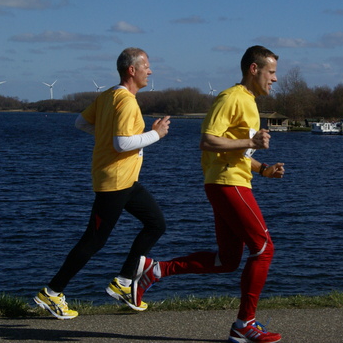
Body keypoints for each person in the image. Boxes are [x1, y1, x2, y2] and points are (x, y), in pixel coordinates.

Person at [131, 45, 285, 343]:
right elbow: (207, 141)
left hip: (232, 180)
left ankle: (155, 270)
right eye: (272, 72)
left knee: (227, 260)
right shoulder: (231, 97)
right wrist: (250, 139)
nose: (275, 79)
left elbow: (237, 151)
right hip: (228, 183)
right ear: (254, 69)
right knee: (264, 249)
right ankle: (245, 324)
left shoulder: (250, 102)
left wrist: (263, 168)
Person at [34, 47, 170, 319]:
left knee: (156, 224)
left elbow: (80, 123)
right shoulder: (128, 101)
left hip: (125, 180)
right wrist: (155, 134)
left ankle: (122, 282)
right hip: (115, 182)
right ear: (132, 70)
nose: (150, 71)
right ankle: (51, 293)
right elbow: (122, 144)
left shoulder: (108, 95)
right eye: (147, 66)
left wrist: (106, 135)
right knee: (93, 240)